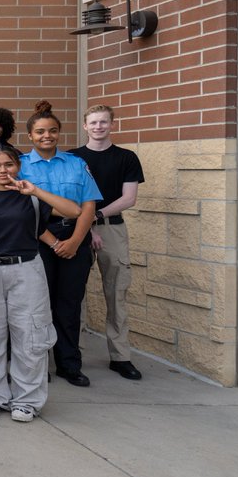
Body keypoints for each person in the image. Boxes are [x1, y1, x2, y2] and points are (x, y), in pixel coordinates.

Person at [0, 147, 82, 421]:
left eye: (9, 165)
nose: (4, 170)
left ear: (18, 167)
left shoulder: (32, 198)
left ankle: (27, 399)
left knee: (31, 335)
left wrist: (35, 191)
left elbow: (73, 211)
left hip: (26, 270)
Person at [19, 100, 102, 387]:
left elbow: (88, 206)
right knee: (38, 306)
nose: (47, 136)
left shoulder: (76, 164)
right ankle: (39, 365)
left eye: (52, 131)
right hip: (38, 239)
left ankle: (69, 363)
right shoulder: (20, 166)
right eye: (40, 131)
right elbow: (23, 211)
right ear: (30, 135)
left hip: (75, 237)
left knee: (69, 305)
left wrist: (76, 241)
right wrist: (55, 242)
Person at [71, 104, 145, 381]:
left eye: (103, 122)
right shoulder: (74, 158)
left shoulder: (126, 158)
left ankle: (120, 356)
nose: (98, 127)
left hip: (112, 228)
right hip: (77, 227)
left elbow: (129, 198)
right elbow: (71, 196)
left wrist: (96, 216)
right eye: (93, 122)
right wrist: (87, 227)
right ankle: (73, 354)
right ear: (85, 126)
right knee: (75, 293)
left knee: (117, 294)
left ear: (112, 124)